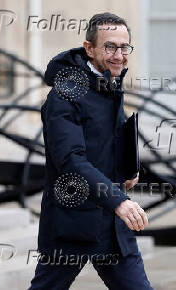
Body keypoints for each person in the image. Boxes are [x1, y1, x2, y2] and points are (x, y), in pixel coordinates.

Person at [28, 12, 154, 290]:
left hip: (112, 225)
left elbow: (108, 139)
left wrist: (127, 169)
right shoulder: (64, 96)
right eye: (110, 46)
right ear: (89, 48)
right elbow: (70, 160)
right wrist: (119, 201)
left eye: (124, 47)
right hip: (72, 222)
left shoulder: (109, 83)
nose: (119, 55)